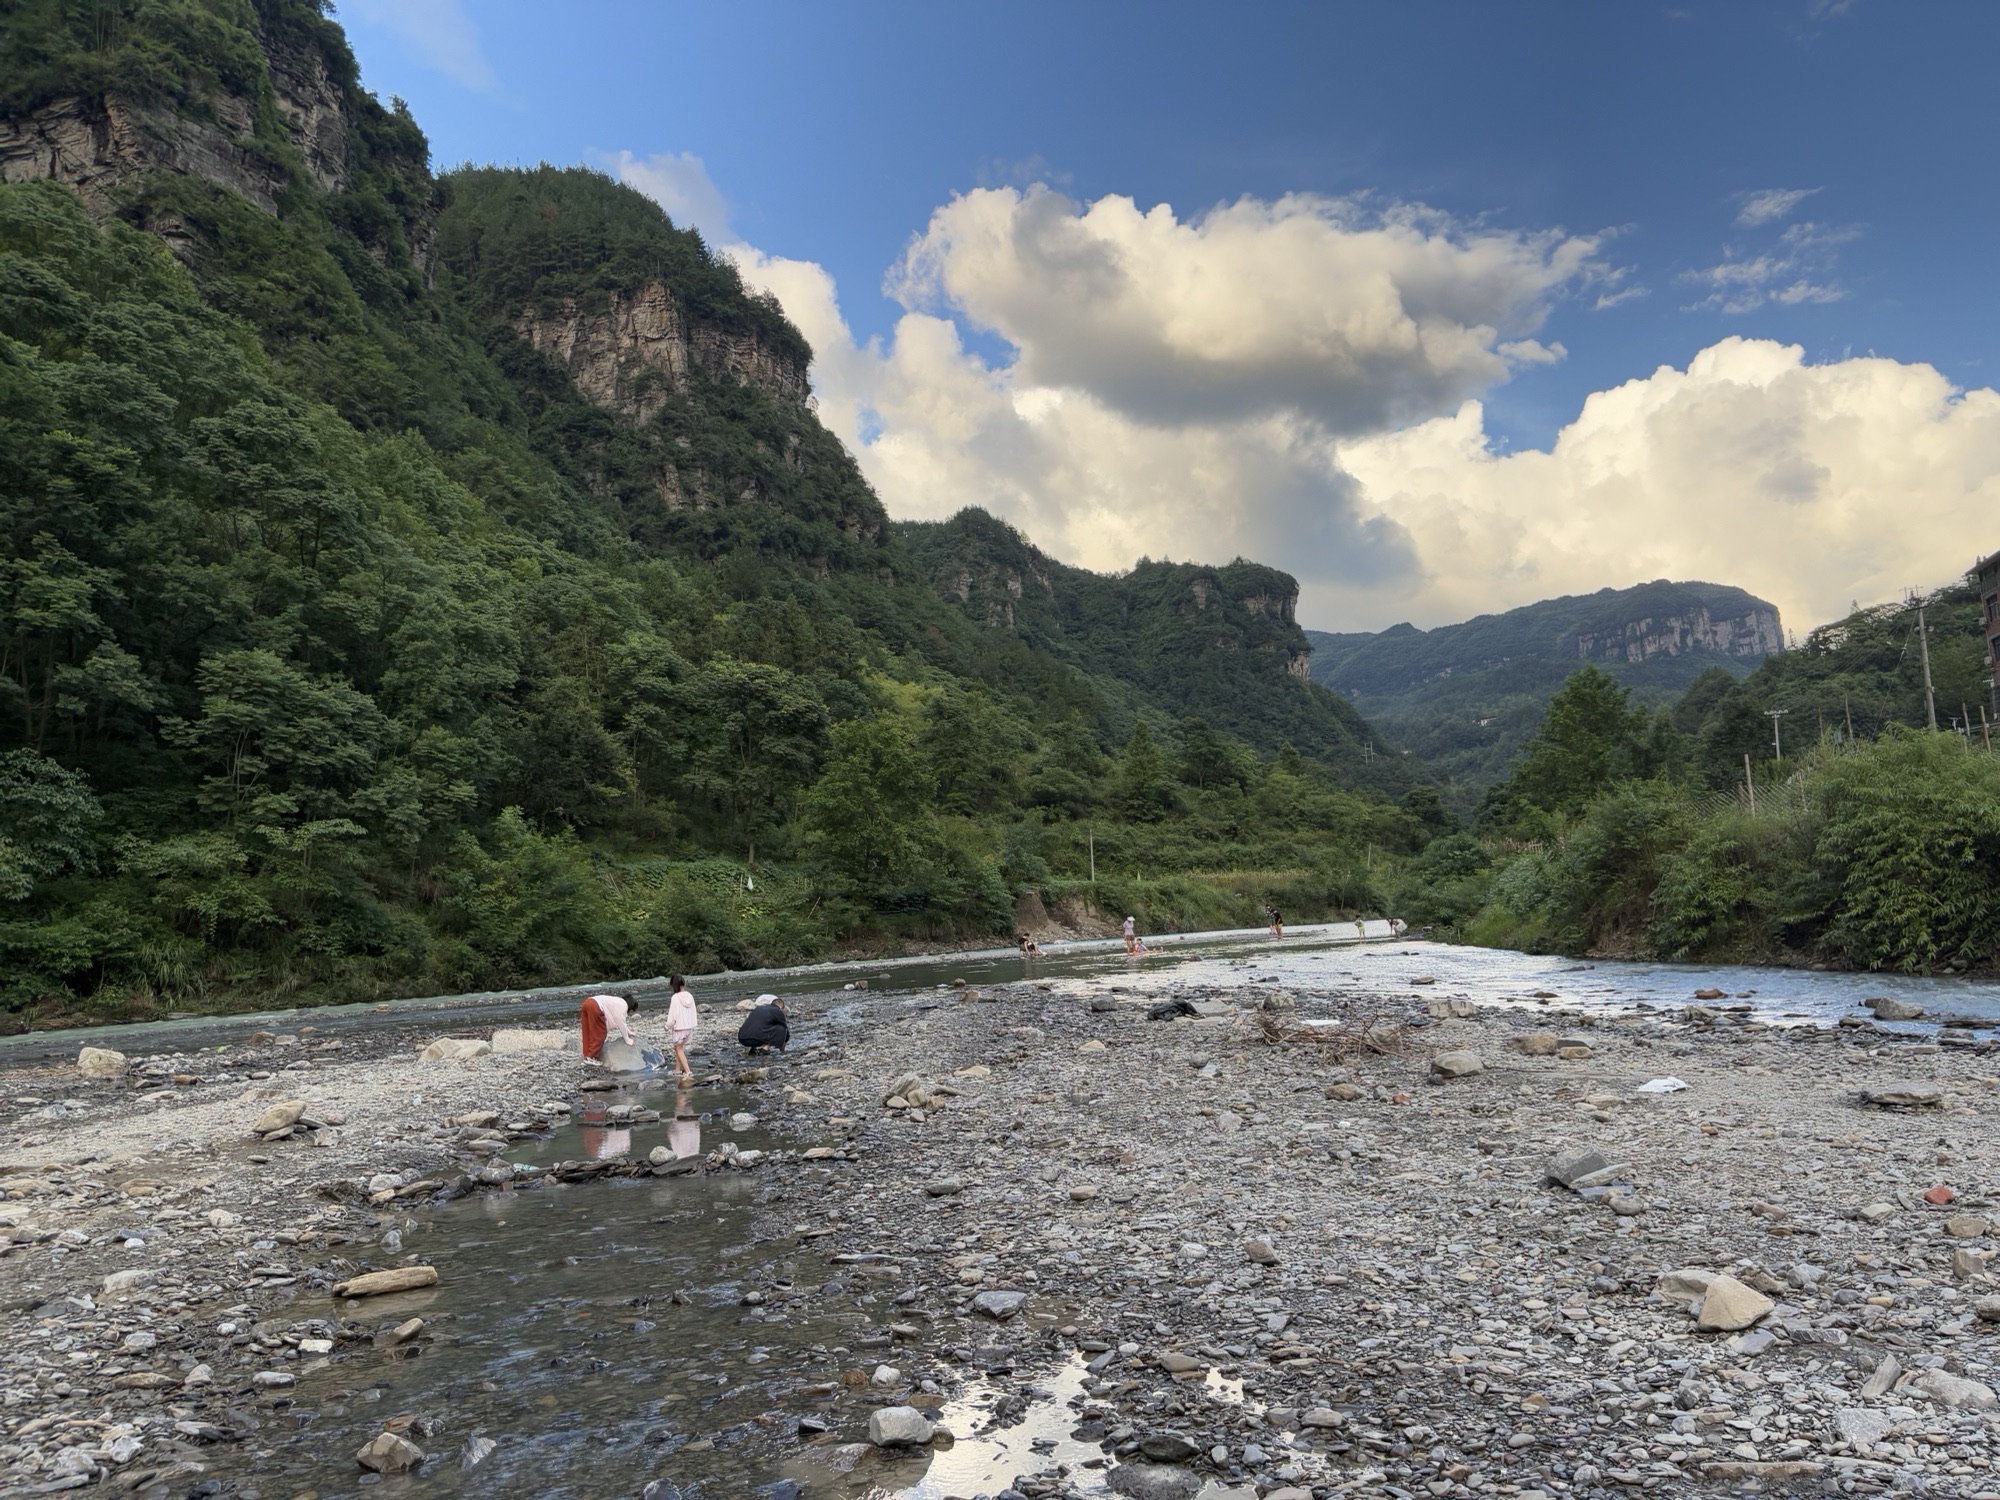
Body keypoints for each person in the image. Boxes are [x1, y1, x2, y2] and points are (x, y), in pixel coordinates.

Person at [579, 992, 638, 1064]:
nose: (630, 1013)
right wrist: (627, 1039)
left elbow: (622, 1022)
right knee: (600, 1033)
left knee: (587, 1032)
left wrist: (629, 1032)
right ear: (631, 1007)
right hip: (595, 1006)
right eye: (632, 1011)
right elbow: (620, 1020)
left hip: (587, 1003)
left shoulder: (618, 1002)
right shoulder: (624, 1006)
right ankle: (592, 1058)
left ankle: (586, 1055)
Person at [666, 974, 697, 1082]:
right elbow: (693, 1011)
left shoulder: (675, 998)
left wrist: (667, 1025)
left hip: (679, 1028)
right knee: (679, 1049)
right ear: (684, 983)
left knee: (678, 1048)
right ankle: (677, 1070)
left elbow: (672, 1015)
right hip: (688, 1027)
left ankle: (688, 1071)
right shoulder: (690, 996)